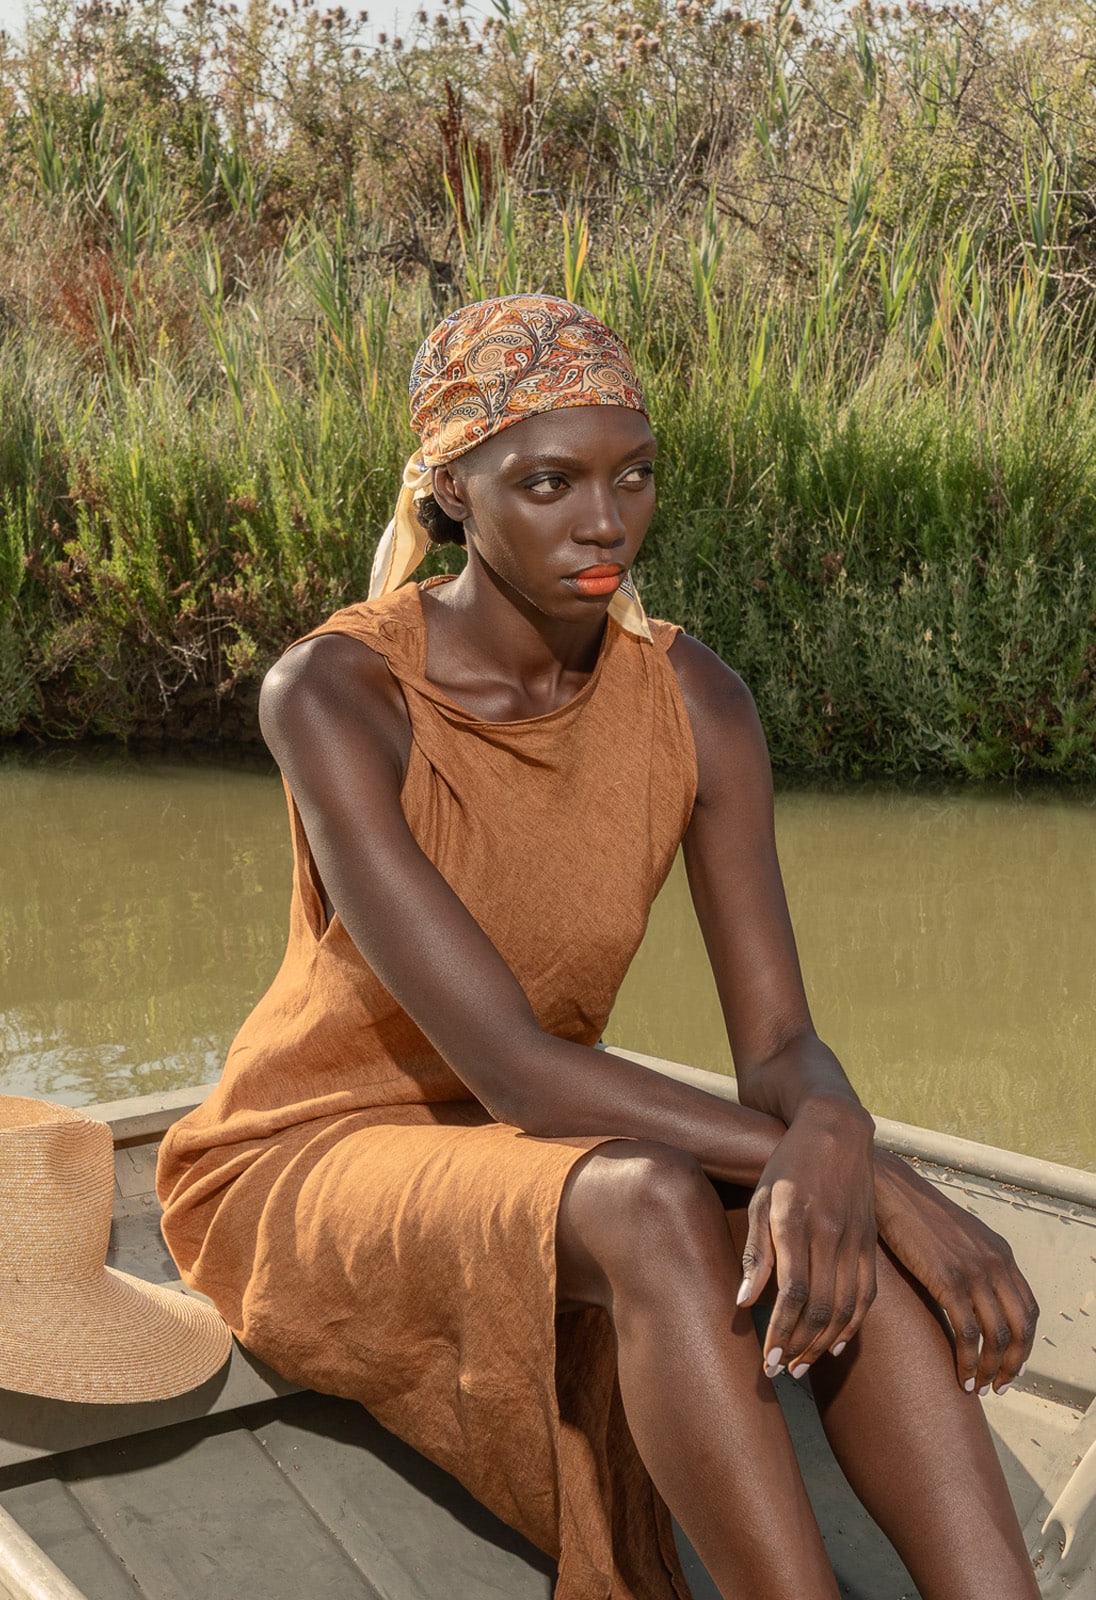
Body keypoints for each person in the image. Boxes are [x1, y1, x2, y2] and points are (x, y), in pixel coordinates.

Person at [156, 294, 1041, 1599]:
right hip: (308, 1156)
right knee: (669, 1197)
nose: (606, 520)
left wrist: (837, 1139)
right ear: (450, 490)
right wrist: (880, 1174)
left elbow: (781, 1045)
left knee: (818, 1206)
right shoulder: (342, 692)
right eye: (549, 482)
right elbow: (514, 1066)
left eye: (634, 475)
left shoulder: (695, 698)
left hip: (545, 1143)